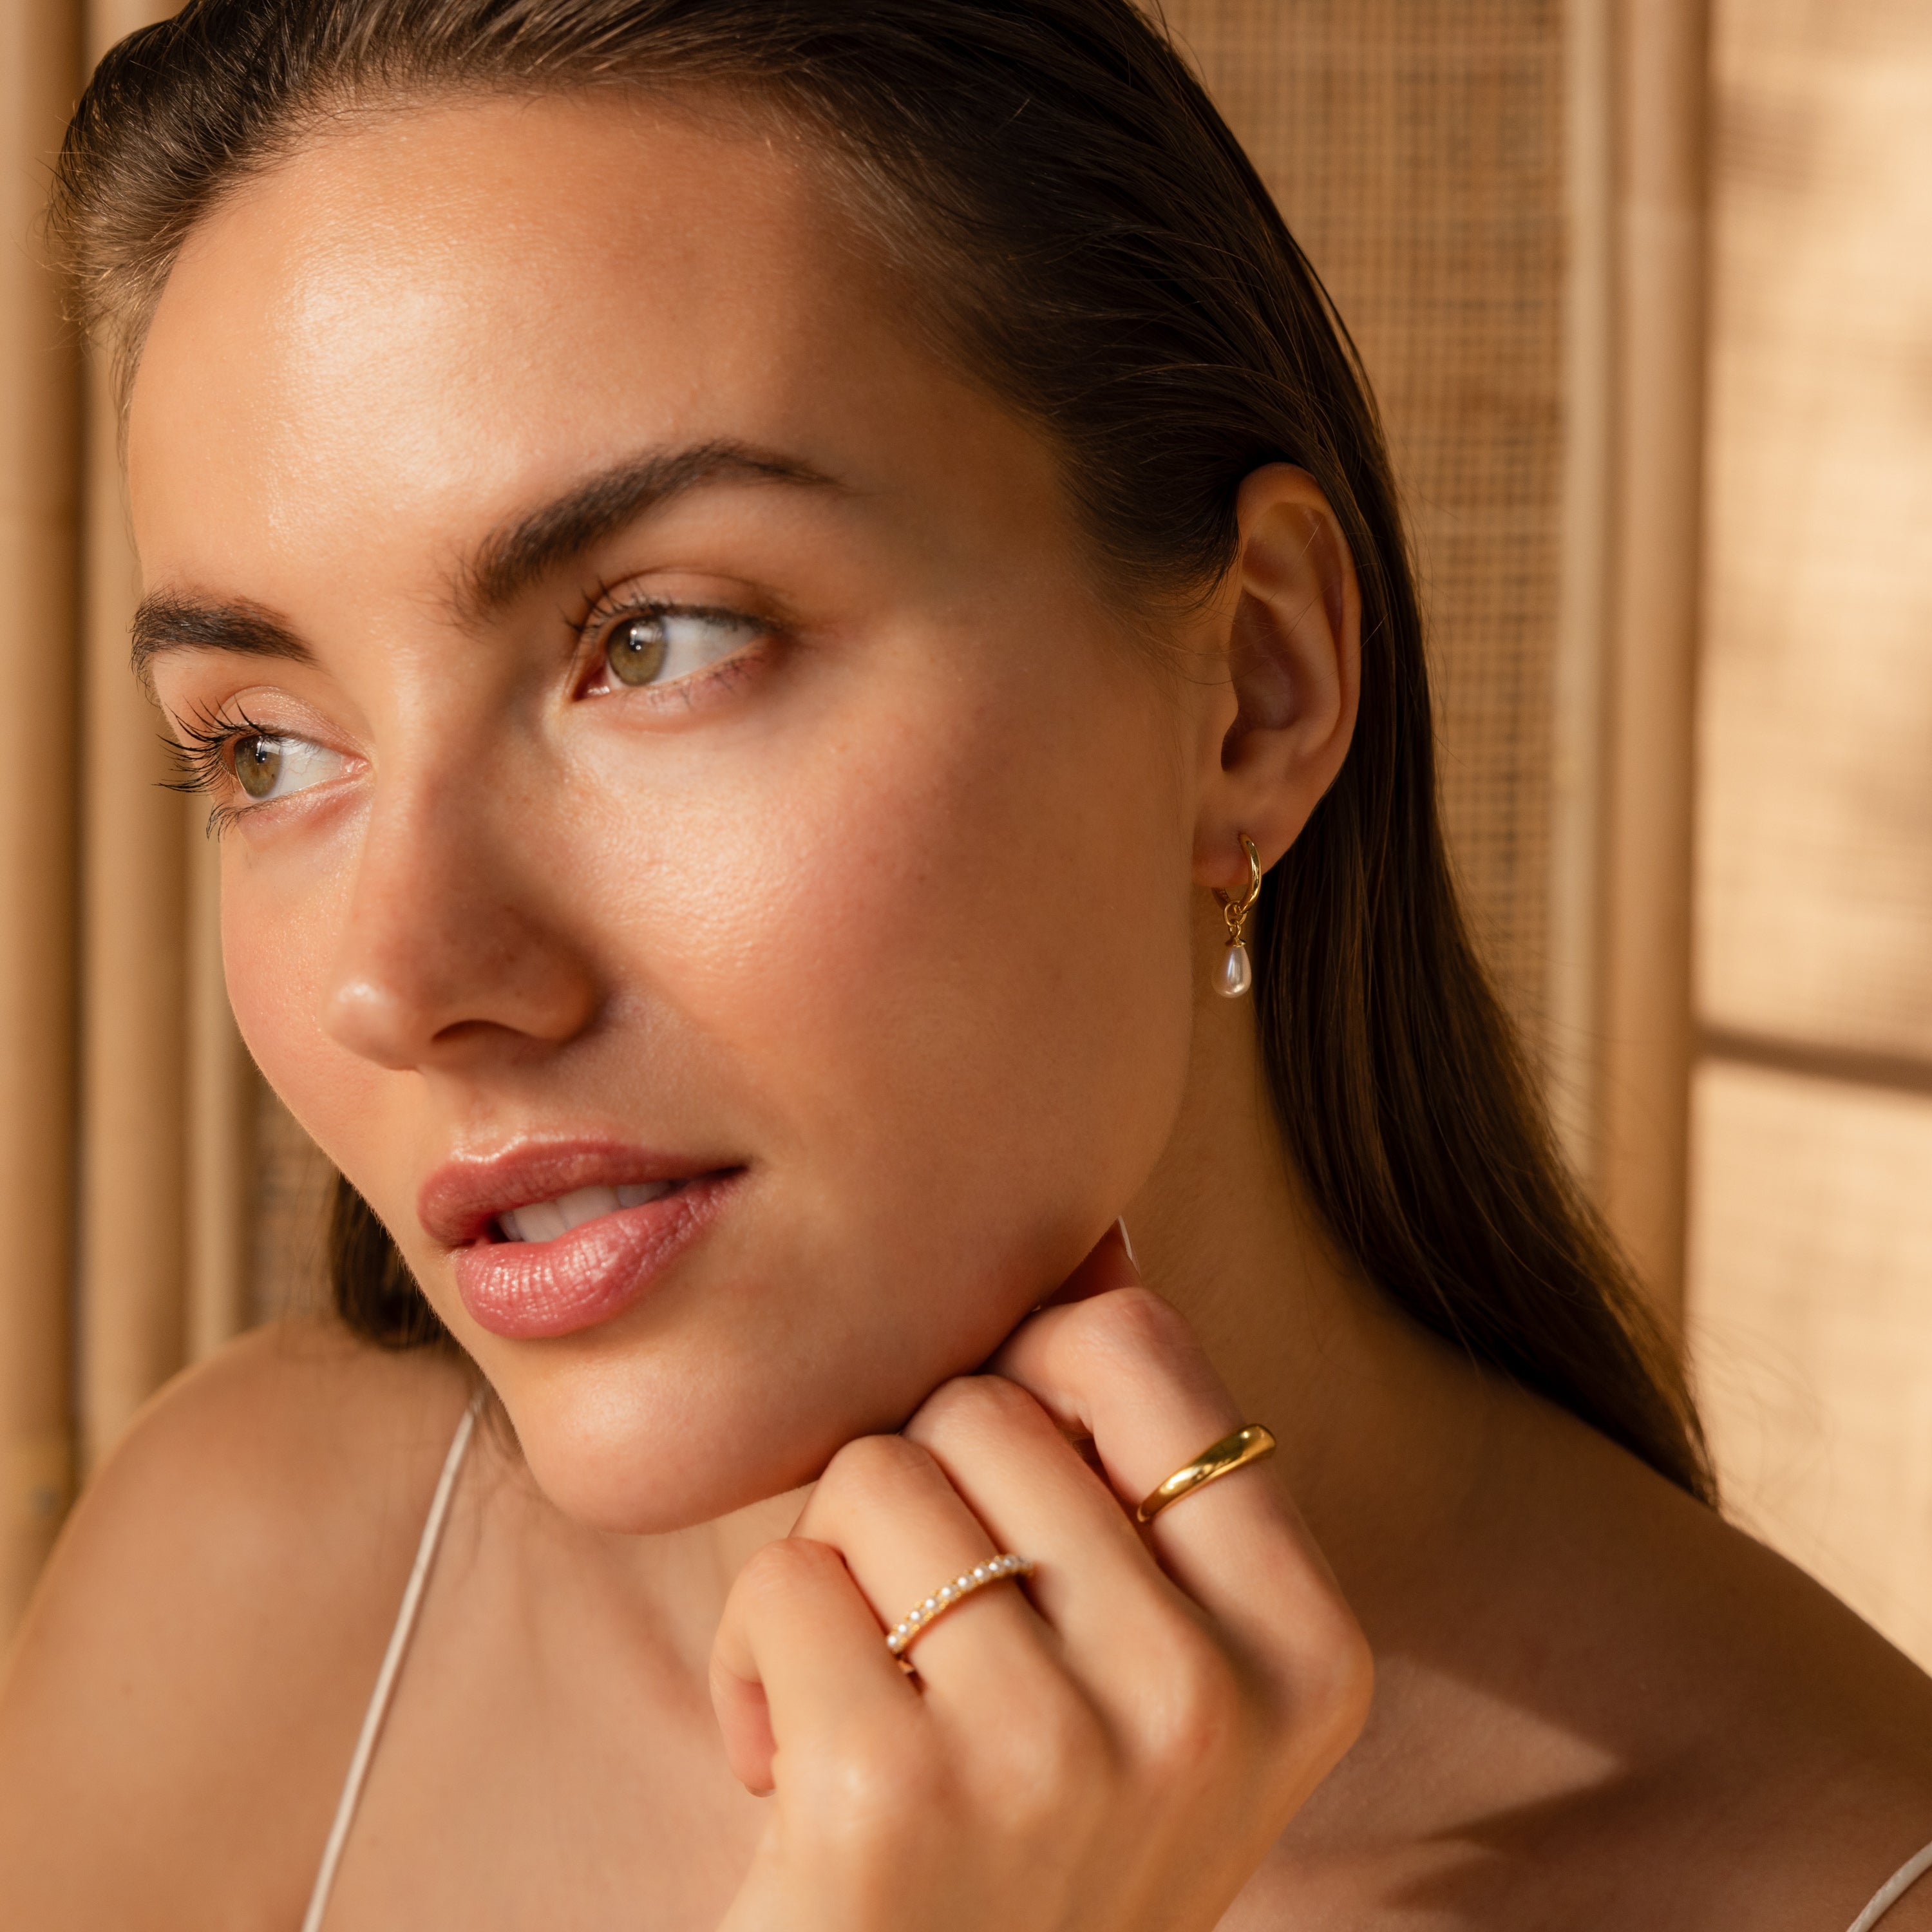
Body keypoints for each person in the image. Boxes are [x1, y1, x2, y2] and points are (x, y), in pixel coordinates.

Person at [2, 1, 1929, 1926]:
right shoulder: (254, 1595)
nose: (402, 976)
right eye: (264, 747)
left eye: (661, 642)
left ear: (1256, 686)